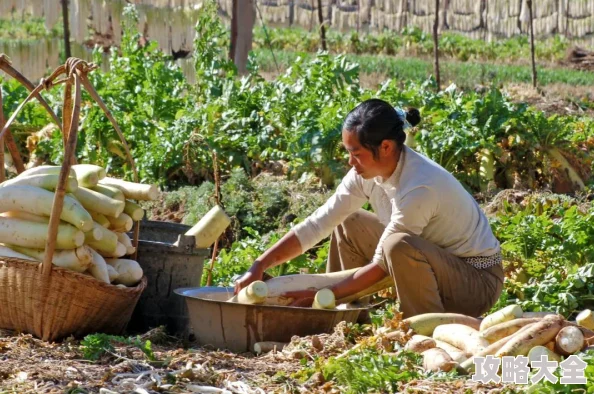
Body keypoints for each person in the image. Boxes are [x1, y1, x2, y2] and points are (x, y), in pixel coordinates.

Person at [234, 98, 503, 318]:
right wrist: (261, 263)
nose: (351, 162)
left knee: (396, 246)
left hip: (474, 282)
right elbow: (318, 224)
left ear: (385, 147)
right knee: (349, 222)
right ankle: (343, 315)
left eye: (356, 153)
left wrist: (321, 291)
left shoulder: (419, 187)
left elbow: (383, 261)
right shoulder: (366, 173)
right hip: (433, 260)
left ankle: (426, 330)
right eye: (347, 152)